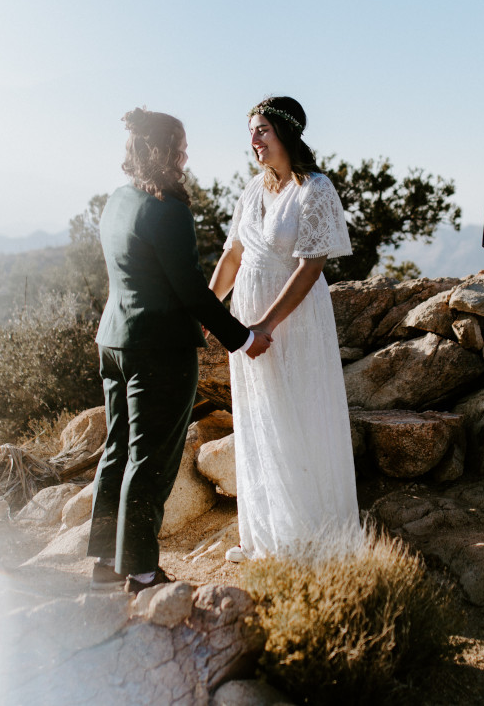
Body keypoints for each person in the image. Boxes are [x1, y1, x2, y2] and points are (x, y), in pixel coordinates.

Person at [89, 108, 272, 593]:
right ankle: (144, 572)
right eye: (179, 146)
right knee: (151, 461)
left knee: (117, 453)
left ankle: (107, 564)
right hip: (159, 350)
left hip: (114, 341)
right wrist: (244, 338)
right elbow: (191, 290)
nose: (185, 154)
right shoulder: (166, 208)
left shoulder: (118, 200)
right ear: (158, 151)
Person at [209, 96, 363, 561]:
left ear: (286, 133)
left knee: (299, 418)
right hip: (247, 319)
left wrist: (265, 325)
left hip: (292, 321)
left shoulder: (315, 189)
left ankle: (312, 539)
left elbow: (311, 265)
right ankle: (264, 536)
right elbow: (234, 256)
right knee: (259, 420)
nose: (253, 141)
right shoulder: (252, 191)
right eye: (251, 132)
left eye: (261, 131)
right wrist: (206, 309)